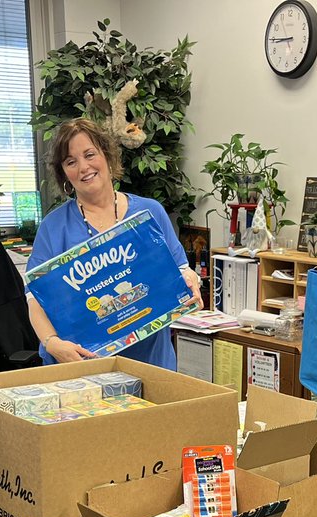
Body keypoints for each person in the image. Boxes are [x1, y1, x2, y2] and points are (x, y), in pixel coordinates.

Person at [26, 117, 202, 368]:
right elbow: (34, 297)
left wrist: (190, 281)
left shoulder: (150, 213)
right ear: (63, 172)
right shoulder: (53, 228)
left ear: (107, 155)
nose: (83, 167)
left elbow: (181, 270)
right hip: (84, 368)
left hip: (152, 361)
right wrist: (52, 343)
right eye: (70, 161)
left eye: (89, 154)